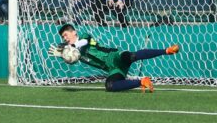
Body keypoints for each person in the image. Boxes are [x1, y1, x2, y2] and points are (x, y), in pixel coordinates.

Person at [49, 23, 180, 92]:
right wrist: (62, 55)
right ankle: (142, 82)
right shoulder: (72, 51)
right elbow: (72, 61)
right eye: (63, 37)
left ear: (74, 32)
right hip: (113, 69)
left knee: (132, 56)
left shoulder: (84, 36)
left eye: (66, 35)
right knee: (110, 85)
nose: (65, 38)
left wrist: (71, 46)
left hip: (114, 56)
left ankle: (167, 50)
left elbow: (83, 43)